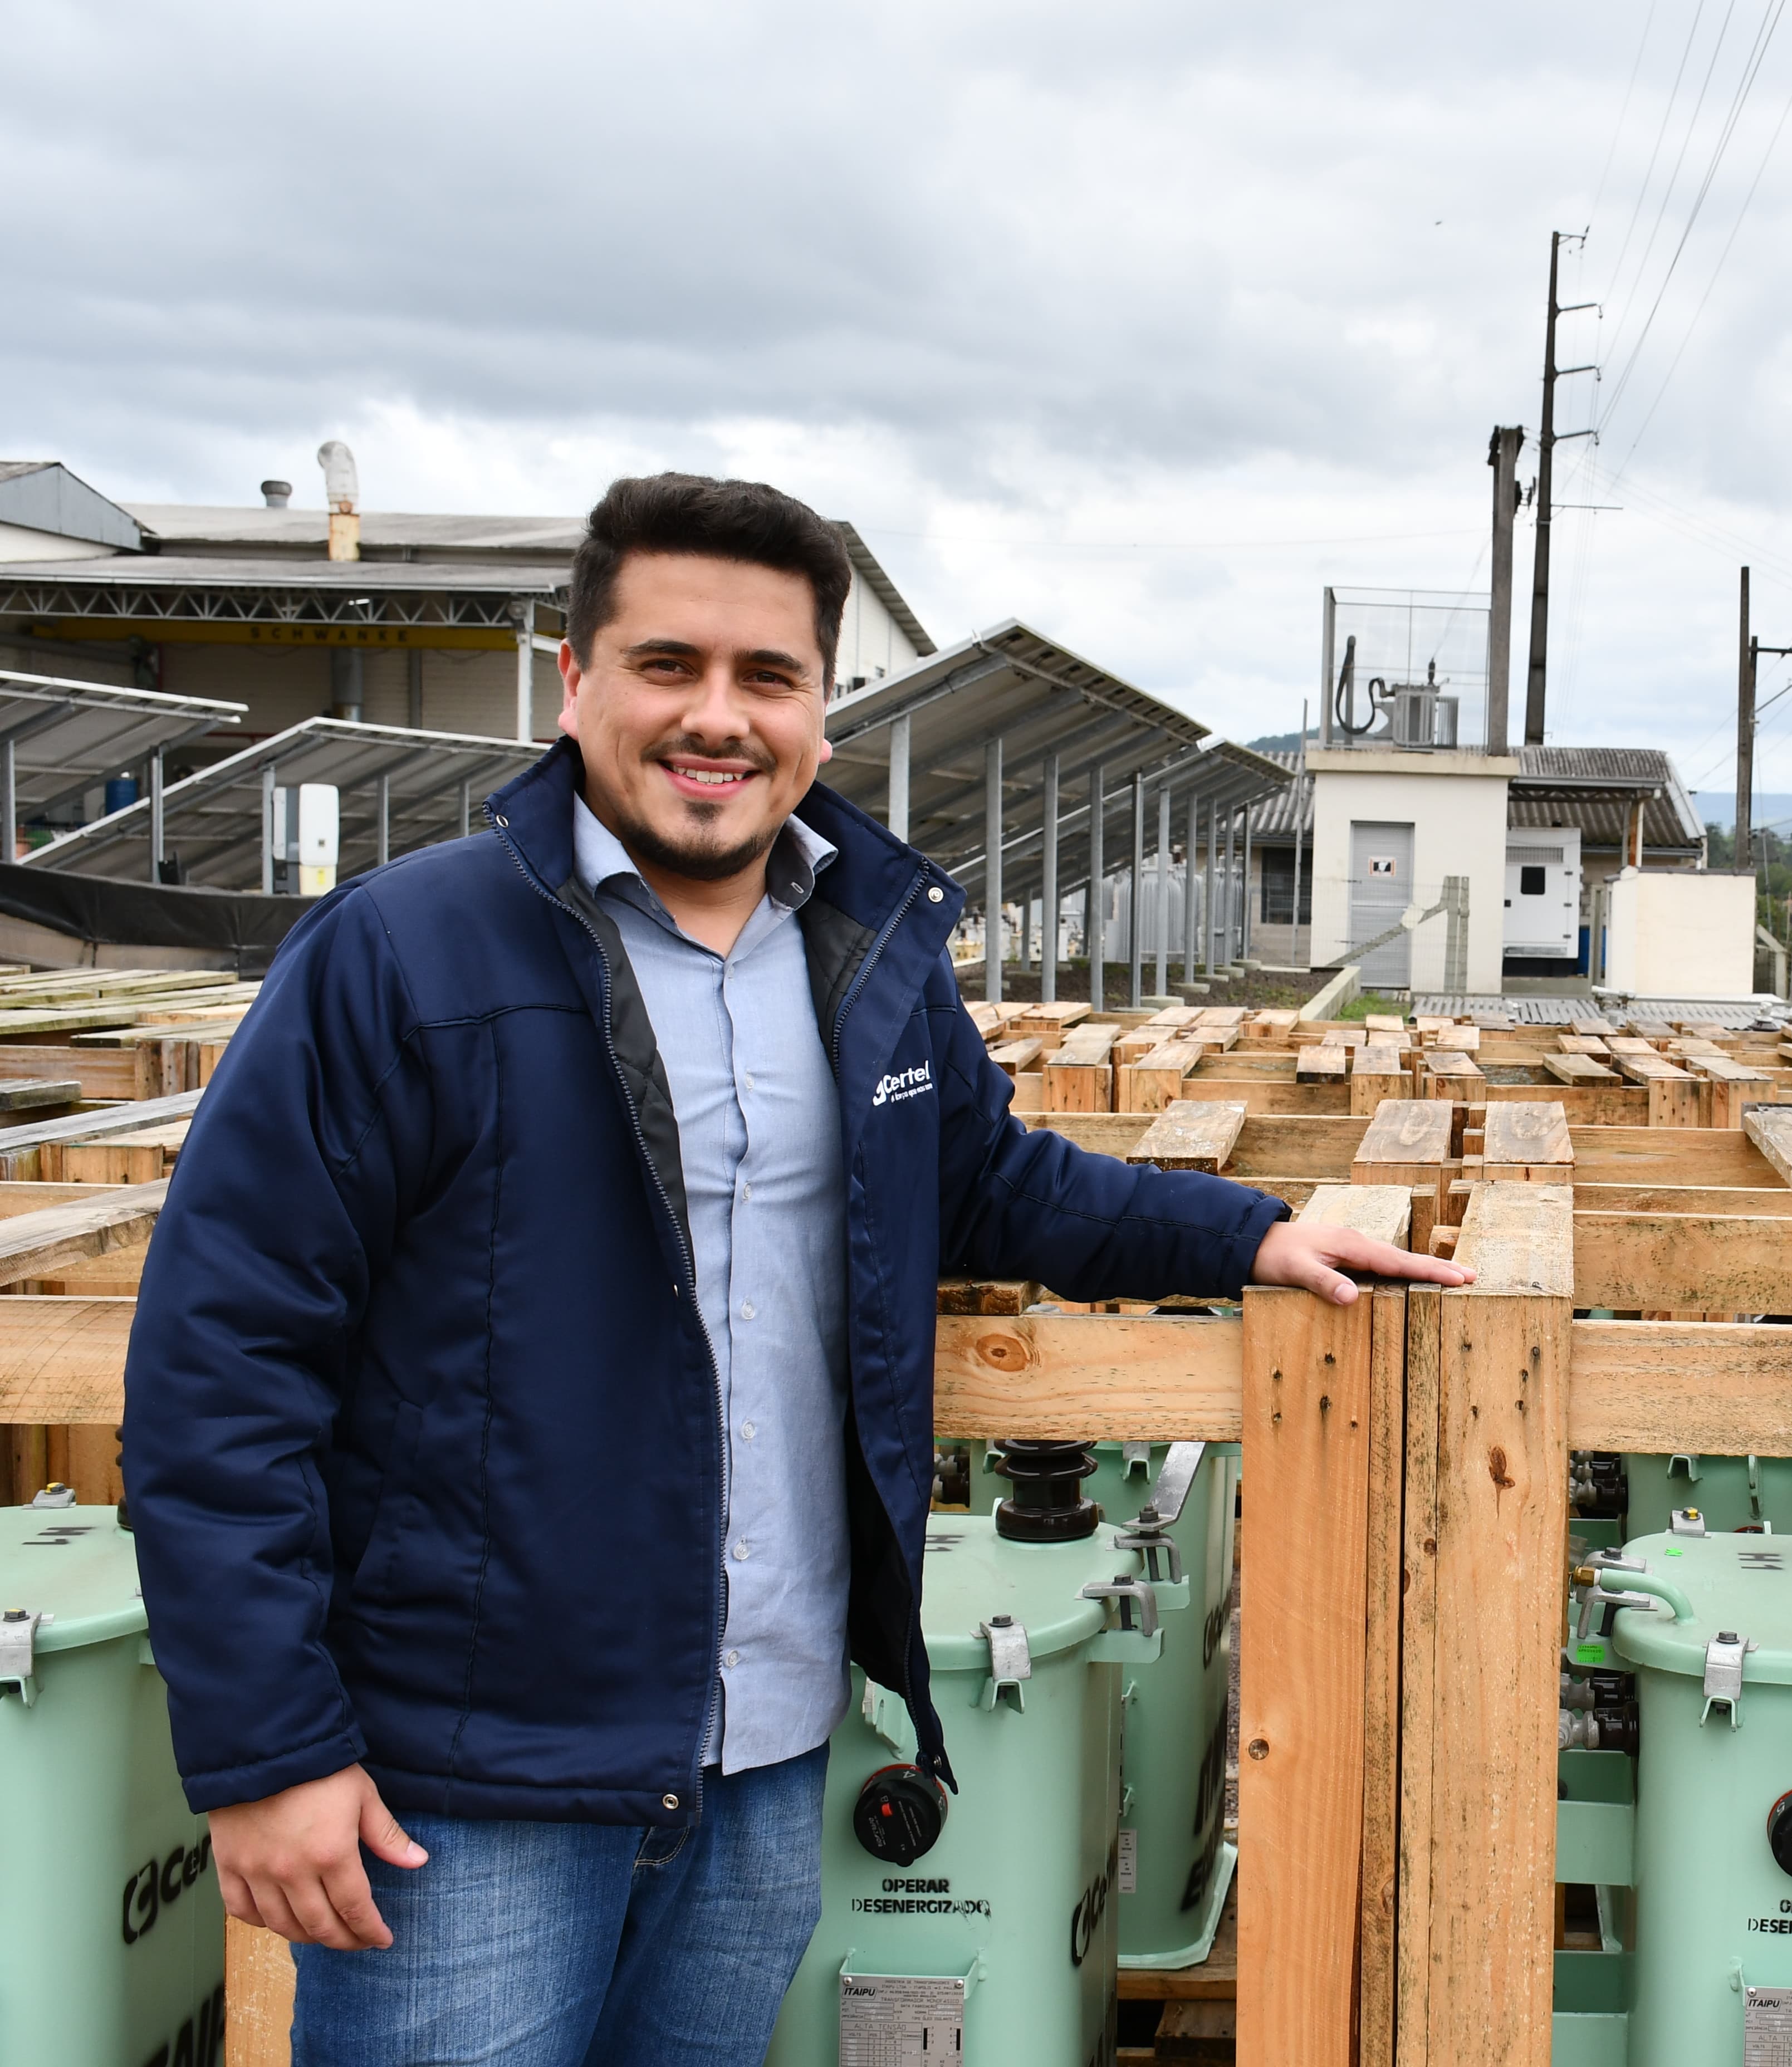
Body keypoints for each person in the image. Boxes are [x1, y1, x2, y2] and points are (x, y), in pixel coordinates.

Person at [120, 472, 1463, 2066]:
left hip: (761, 1766)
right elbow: (221, 1361)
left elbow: (985, 1184)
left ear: (821, 712)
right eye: (668, 665)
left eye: (768, 678)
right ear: (576, 684)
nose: (718, 718)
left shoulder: (864, 952)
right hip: (470, 1789)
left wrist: (1247, 1233)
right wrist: (268, 1749)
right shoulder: (404, 958)